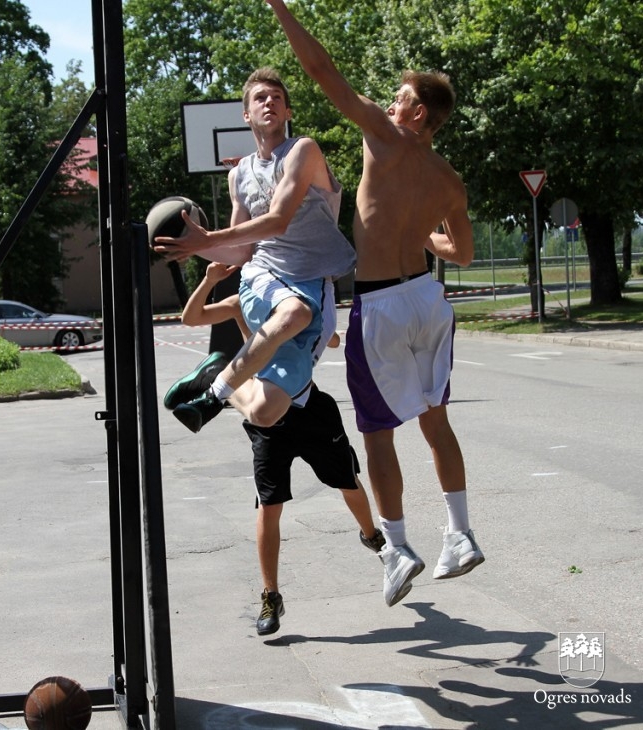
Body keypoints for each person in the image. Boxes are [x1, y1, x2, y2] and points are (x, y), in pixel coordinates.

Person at [265, 0, 484, 607]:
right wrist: (420, 234)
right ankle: (461, 534)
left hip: (383, 304)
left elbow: (320, 68)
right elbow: (461, 252)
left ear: (416, 111)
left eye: (397, 97)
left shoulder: (386, 138)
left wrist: (280, 8)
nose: (388, 104)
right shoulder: (447, 177)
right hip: (428, 299)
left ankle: (396, 548)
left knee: (379, 434)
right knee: (435, 423)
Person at [169, 261, 384, 636]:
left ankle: (374, 536)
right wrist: (208, 280)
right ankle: (270, 595)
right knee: (270, 507)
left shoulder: (297, 302)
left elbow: (329, 338)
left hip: (308, 408)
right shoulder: (244, 301)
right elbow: (191, 318)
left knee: (346, 480)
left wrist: (328, 331)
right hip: (267, 415)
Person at [154, 67, 355, 433]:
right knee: (294, 312)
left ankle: (216, 370)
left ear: (288, 112)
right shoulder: (239, 174)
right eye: (260, 97)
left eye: (277, 97)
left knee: (267, 412)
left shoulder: (303, 150)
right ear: (246, 114)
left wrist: (207, 241)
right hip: (265, 278)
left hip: (314, 285)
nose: (270, 102)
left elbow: (278, 219)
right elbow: (244, 251)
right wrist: (196, 248)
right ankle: (214, 395)